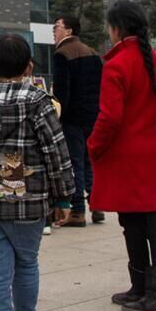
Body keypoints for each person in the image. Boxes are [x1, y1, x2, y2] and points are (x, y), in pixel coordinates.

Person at [0, 33, 75, 311]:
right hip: (30, 202)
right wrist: (64, 198)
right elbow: (56, 152)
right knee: (27, 264)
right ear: (29, 68)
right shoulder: (39, 102)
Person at [88, 0, 156, 311]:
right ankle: (147, 290)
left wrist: (93, 145)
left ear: (116, 29)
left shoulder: (116, 65)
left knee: (135, 222)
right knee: (149, 221)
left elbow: (109, 117)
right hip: (149, 152)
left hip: (125, 155)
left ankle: (152, 293)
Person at [51, 15, 104, 227]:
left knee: (74, 162)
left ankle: (77, 211)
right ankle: (97, 203)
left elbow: (62, 91)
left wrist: (57, 116)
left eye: (57, 27)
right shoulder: (92, 52)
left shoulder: (62, 53)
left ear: (69, 31)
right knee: (88, 161)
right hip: (92, 115)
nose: (54, 31)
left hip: (72, 117)